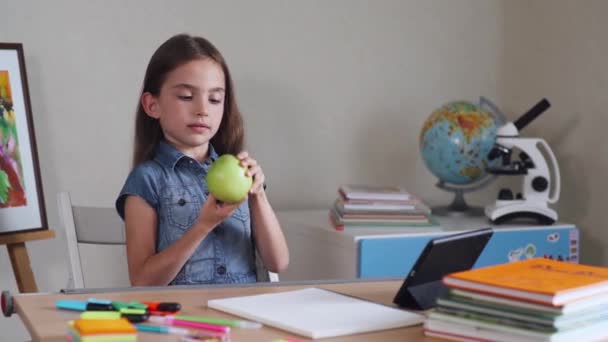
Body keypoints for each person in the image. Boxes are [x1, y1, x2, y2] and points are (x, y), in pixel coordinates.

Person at [115, 34, 289, 286]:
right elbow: (142, 281)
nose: (202, 109)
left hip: (244, 314)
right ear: (152, 105)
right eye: (186, 96)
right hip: (183, 318)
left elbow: (278, 262)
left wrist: (258, 194)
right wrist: (203, 226)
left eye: (215, 99)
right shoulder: (148, 179)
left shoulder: (240, 171)